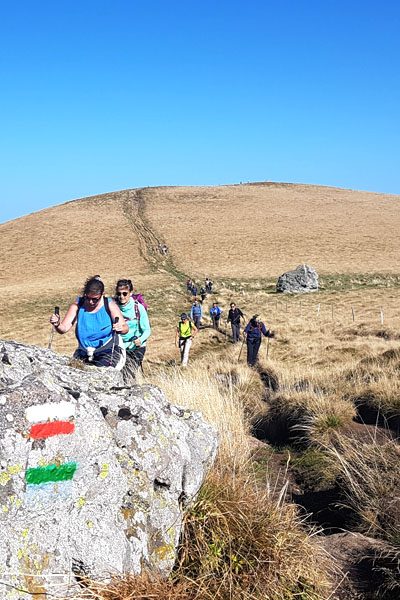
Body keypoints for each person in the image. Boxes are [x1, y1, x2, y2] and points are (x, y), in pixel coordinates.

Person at [49, 275, 128, 369]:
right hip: (83, 352)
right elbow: (63, 328)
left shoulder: (110, 305)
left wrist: (120, 328)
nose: (91, 302)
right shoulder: (78, 305)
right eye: (88, 298)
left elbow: (125, 328)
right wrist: (57, 324)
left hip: (108, 351)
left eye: (95, 299)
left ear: (102, 294)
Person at [114, 278, 151, 374]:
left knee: (128, 373)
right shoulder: (113, 307)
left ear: (131, 293)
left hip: (137, 347)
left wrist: (141, 339)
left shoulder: (138, 308)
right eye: (119, 294)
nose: (121, 296)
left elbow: (147, 330)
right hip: (120, 347)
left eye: (125, 293)